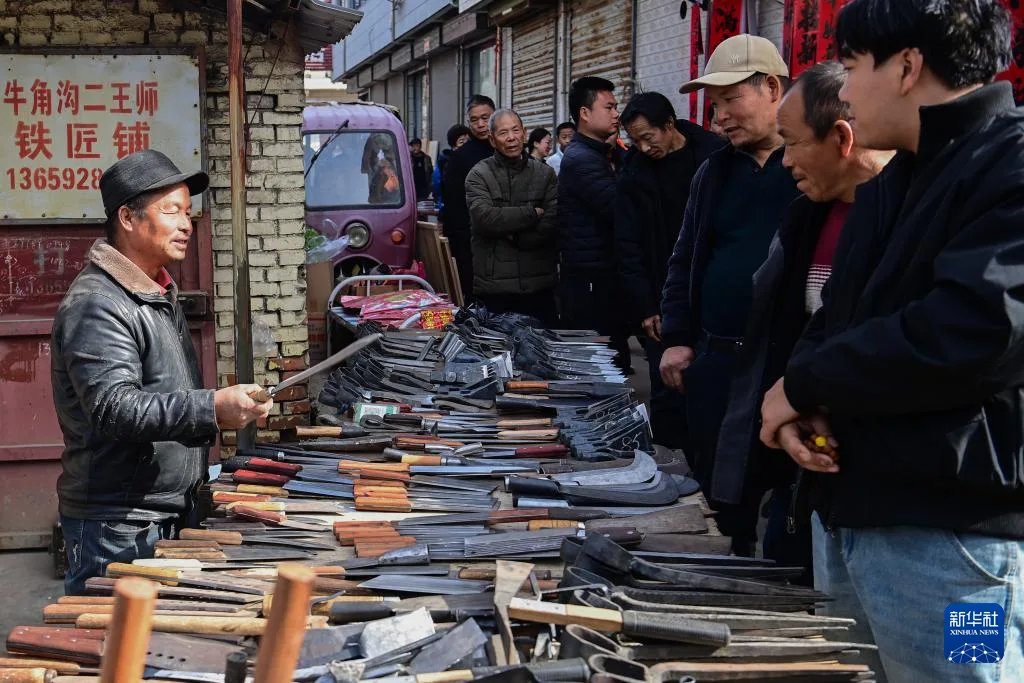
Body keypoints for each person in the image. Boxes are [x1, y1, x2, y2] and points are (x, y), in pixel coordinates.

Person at [758, 2, 1024, 680]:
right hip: (851, 515)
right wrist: (800, 404)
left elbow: (974, 331)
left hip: (959, 548)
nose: (844, 91)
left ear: (907, 66)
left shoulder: (1009, 164)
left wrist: (804, 385)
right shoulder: (895, 179)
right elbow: (834, 318)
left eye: (851, 67)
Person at [51, 150, 272, 595]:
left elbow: (160, 392)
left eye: (188, 212)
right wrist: (212, 408)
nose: (187, 224)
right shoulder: (98, 303)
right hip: (119, 525)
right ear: (128, 218)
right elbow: (116, 408)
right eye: (171, 211)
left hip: (162, 512)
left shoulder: (155, 291)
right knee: (114, 637)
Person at [713, 62, 893, 588]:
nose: (786, 160)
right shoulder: (807, 215)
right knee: (822, 614)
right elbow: (799, 333)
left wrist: (804, 388)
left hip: (916, 500)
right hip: (814, 468)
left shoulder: (919, 216)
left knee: (960, 644)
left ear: (842, 137)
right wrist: (789, 406)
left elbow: (924, 344)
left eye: (792, 143)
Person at [660, 34, 799, 556]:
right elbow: (684, 257)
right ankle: (730, 572)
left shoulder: (808, 166)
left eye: (730, 100)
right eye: (714, 104)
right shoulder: (713, 172)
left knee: (789, 495)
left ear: (772, 88)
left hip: (786, 365)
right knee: (719, 496)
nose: (718, 117)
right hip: (718, 358)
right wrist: (678, 336)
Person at [614, 91, 724, 450]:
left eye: (649, 137)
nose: (644, 148)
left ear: (669, 124)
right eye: (636, 141)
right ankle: (669, 462)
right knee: (666, 388)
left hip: (709, 294)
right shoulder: (633, 173)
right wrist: (645, 307)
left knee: (708, 389)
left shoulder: (714, 156)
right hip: (661, 295)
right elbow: (628, 246)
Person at [556, 77, 632, 372]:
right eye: (609, 107)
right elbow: (620, 208)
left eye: (616, 107)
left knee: (613, 358)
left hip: (602, 275)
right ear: (585, 113)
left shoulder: (599, 154)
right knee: (600, 365)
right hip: (590, 281)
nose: (616, 114)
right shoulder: (581, 159)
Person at [466, 110, 558, 325]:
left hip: (539, 285)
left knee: (543, 343)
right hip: (495, 288)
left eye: (515, 130)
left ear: (524, 133)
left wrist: (518, 237)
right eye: (503, 133)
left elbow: (552, 220)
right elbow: (484, 218)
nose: (511, 138)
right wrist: (531, 213)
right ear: (492, 139)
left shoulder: (544, 174)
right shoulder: (479, 174)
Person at [441, 95, 497, 300]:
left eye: (485, 118)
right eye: (474, 120)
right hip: (473, 244)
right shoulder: (460, 158)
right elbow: (453, 206)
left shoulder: (506, 149)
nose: (480, 124)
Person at [433, 124, 471, 211]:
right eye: (461, 142)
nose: (466, 146)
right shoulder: (446, 162)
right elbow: (437, 185)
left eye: (468, 142)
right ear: (453, 146)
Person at [409, 137, 433, 202]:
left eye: (416, 146)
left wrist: (430, 186)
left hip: (423, 187)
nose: (414, 148)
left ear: (420, 146)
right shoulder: (408, 158)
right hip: (412, 186)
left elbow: (431, 172)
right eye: (413, 146)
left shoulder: (426, 158)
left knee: (422, 204)